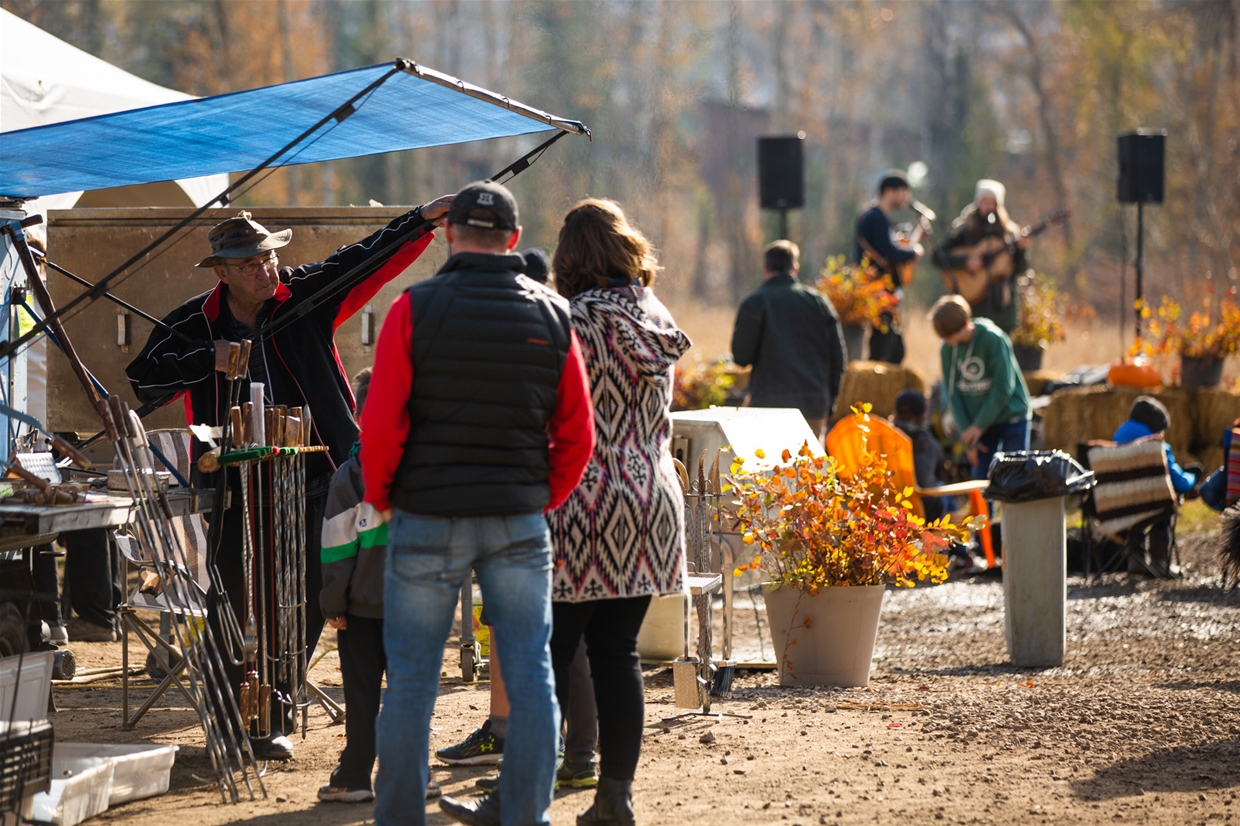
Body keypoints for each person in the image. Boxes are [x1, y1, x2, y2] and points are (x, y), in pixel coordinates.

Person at [126, 197, 451, 761]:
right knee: (229, 598)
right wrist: (207, 358)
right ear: (222, 272)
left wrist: (421, 218)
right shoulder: (191, 323)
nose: (266, 269)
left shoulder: (303, 295)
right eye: (250, 264)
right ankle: (230, 718)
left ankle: (273, 713)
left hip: (318, 476)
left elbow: (365, 259)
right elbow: (145, 384)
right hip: (231, 484)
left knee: (308, 593)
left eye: (270, 258)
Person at [360, 181, 595, 826]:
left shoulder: (413, 309)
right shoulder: (553, 315)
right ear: (514, 242)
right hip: (518, 516)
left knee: (411, 682)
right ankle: (525, 814)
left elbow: (381, 424)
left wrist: (383, 498)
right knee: (530, 674)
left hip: (427, 514)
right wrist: (540, 497)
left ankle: (400, 816)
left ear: (449, 235)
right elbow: (577, 432)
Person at [546, 198, 691, 826]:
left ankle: (518, 791)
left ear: (571, 258)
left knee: (549, 650)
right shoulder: (656, 315)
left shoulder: (574, 322)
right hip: (653, 498)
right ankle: (616, 797)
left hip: (584, 499)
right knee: (617, 652)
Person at [317, 368, 440, 803]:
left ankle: (352, 777)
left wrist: (333, 603)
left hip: (363, 609)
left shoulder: (350, 477)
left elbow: (337, 549)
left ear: (357, 415)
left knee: (362, 696)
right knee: (412, 695)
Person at [731, 240, 846, 440]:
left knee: (766, 468)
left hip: (766, 407)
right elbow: (839, 358)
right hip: (812, 406)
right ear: (795, 268)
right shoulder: (818, 303)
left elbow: (741, 356)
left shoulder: (754, 302)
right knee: (809, 469)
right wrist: (829, 402)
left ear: (765, 268)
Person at [930, 295, 1031, 481]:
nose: (948, 341)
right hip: (980, 423)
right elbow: (953, 394)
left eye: (951, 335)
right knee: (981, 478)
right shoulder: (947, 349)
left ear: (965, 324)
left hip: (1011, 416)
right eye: (945, 337)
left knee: (1014, 477)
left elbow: (1003, 387)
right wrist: (967, 437)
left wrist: (978, 425)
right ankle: (984, 512)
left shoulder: (994, 339)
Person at [1112, 397, 1201, 578]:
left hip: (1118, 507)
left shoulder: (1112, 446)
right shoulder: (1156, 447)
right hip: (1152, 505)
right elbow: (1180, 483)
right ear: (1155, 427)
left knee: (1138, 510)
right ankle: (1159, 562)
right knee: (1163, 505)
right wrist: (1194, 477)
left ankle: (1135, 560)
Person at [938, 179, 1029, 334]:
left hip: (1001, 308)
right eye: (985, 202)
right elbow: (939, 256)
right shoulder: (963, 229)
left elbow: (1022, 269)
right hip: (971, 306)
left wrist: (1022, 250)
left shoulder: (1010, 232)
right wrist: (965, 262)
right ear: (978, 203)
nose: (989, 207)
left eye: (992, 203)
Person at [853, 169, 923, 365]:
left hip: (886, 292)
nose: (907, 198)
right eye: (904, 192)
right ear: (890, 191)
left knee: (895, 350)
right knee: (882, 348)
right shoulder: (875, 217)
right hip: (879, 292)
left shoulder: (880, 218)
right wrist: (912, 253)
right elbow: (888, 252)